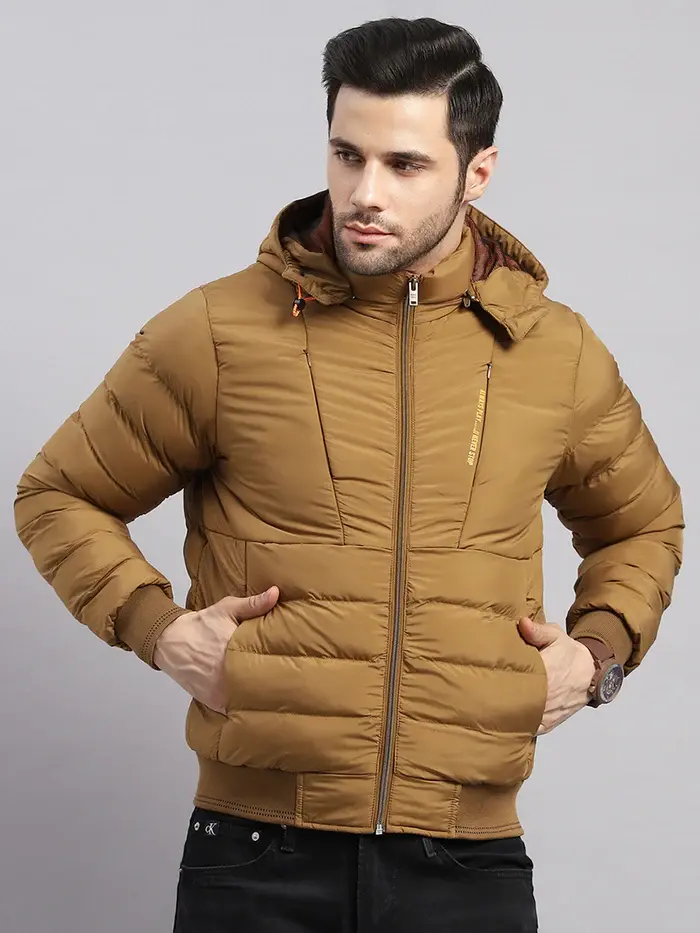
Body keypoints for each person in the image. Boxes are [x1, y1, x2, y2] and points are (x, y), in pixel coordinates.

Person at [14, 16, 684, 933]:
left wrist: (597, 657)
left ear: (477, 172)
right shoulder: (221, 331)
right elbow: (59, 492)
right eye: (347, 155)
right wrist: (158, 629)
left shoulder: (552, 351)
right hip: (255, 854)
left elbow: (642, 523)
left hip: (467, 857)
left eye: (405, 165)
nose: (365, 193)